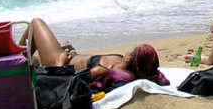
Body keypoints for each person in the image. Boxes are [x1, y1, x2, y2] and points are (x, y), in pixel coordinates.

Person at [20, 23, 169, 87]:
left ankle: (14, 59)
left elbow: (74, 78)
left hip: (60, 62)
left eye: (132, 49)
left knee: (35, 24)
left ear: (129, 58)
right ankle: (23, 60)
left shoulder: (106, 68)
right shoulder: (127, 68)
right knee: (33, 58)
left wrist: (62, 62)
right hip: (69, 56)